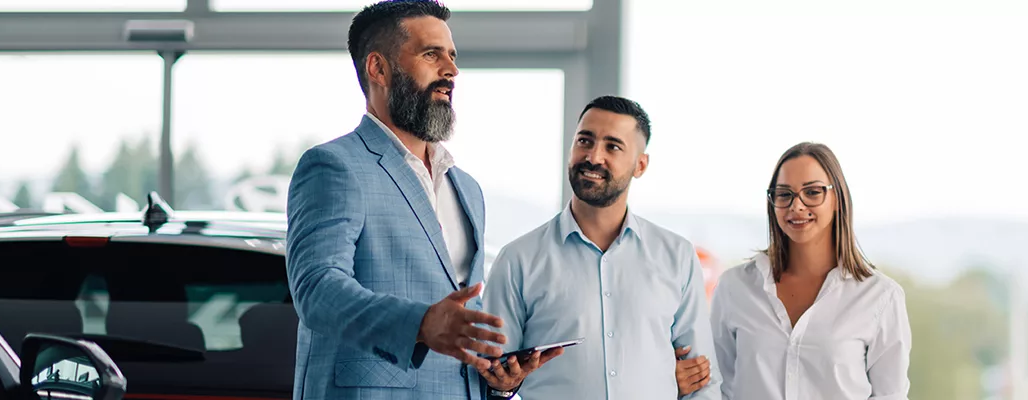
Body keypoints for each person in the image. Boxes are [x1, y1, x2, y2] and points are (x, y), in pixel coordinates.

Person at [286, 1, 554, 399]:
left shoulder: (467, 189)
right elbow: (317, 290)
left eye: (452, 56)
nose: (451, 70)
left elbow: (457, 326)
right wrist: (420, 324)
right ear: (378, 68)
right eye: (432, 54)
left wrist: (498, 379)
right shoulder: (333, 166)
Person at [482, 95, 721, 399]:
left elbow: (703, 381)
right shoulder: (518, 259)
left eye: (613, 146)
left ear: (641, 165)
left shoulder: (677, 256)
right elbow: (492, 376)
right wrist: (503, 387)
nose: (594, 157)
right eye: (585, 140)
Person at [710, 142, 911, 400]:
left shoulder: (882, 297)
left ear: (837, 198)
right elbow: (716, 388)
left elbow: (890, 396)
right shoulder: (734, 288)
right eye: (784, 194)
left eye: (813, 192)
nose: (797, 206)